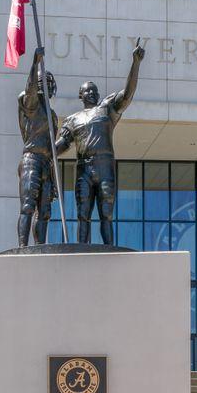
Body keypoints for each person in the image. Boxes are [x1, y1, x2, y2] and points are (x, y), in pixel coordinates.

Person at [54, 39, 145, 244]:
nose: (92, 93)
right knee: (83, 214)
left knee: (106, 214)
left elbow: (128, 94)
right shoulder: (73, 119)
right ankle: (81, 251)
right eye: (88, 90)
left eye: (95, 90)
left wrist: (136, 63)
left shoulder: (107, 109)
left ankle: (109, 250)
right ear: (81, 95)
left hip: (104, 166)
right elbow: (60, 146)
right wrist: (45, 150)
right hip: (84, 169)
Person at [16, 48, 60, 247]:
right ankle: (23, 247)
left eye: (50, 83)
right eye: (45, 82)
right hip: (31, 160)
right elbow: (30, 88)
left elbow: (53, 147)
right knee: (27, 206)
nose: (49, 86)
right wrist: (35, 63)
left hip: (46, 163)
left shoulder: (52, 115)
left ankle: (40, 246)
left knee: (44, 212)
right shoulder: (31, 105)